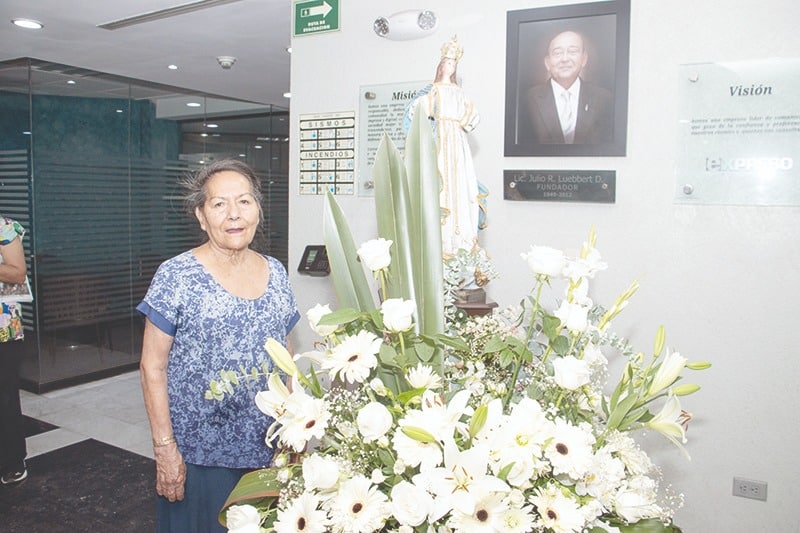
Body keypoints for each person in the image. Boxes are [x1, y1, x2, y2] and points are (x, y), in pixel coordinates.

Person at [137, 159, 300, 532]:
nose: (234, 214)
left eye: (244, 201)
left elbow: (287, 359)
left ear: (258, 208)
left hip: (267, 450)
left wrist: (296, 429)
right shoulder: (176, 275)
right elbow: (152, 367)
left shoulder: (276, 272)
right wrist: (165, 449)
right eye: (219, 204)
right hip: (199, 458)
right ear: (201, 215)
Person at [406, 35, 487, 257]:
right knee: (439, 184)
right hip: (440, 139)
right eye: (448, 64)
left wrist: (461, 121)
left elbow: (472, 116)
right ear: (441, 66)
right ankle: (440, 241)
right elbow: (417, 111)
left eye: (454, 64)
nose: (451, 68)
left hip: (457, 143)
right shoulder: (432, 92)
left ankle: (462, 239)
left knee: (461, 185)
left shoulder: (460, 93)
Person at [524, 30, 614, 145]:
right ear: (547, 62)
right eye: (558, 53)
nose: (565, 59)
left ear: (584, 59)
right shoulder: (528, 100)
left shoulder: (603, 99)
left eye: (572, 51)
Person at [0, 216, 28, 486]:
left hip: (4, 330)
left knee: (5, 396)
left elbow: (17, 272)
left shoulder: (5, 228)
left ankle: (12, 460)